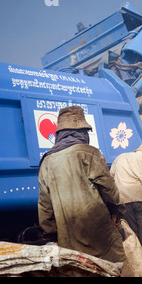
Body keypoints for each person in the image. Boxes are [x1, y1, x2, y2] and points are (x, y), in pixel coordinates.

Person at [37, 106, 126, 265]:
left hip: (69, 242)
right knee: (115, 267)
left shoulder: (46, 162)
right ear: (81, 132)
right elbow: (109, 189)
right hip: (100, 235)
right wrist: (117, 210)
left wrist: (51, 235)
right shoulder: (90, 153)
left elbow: (45, 206)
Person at [110, 143, 142, 275]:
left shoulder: (120, 157)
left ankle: (139, 271)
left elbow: (110, 176)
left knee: (133, 237)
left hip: (123, 201)